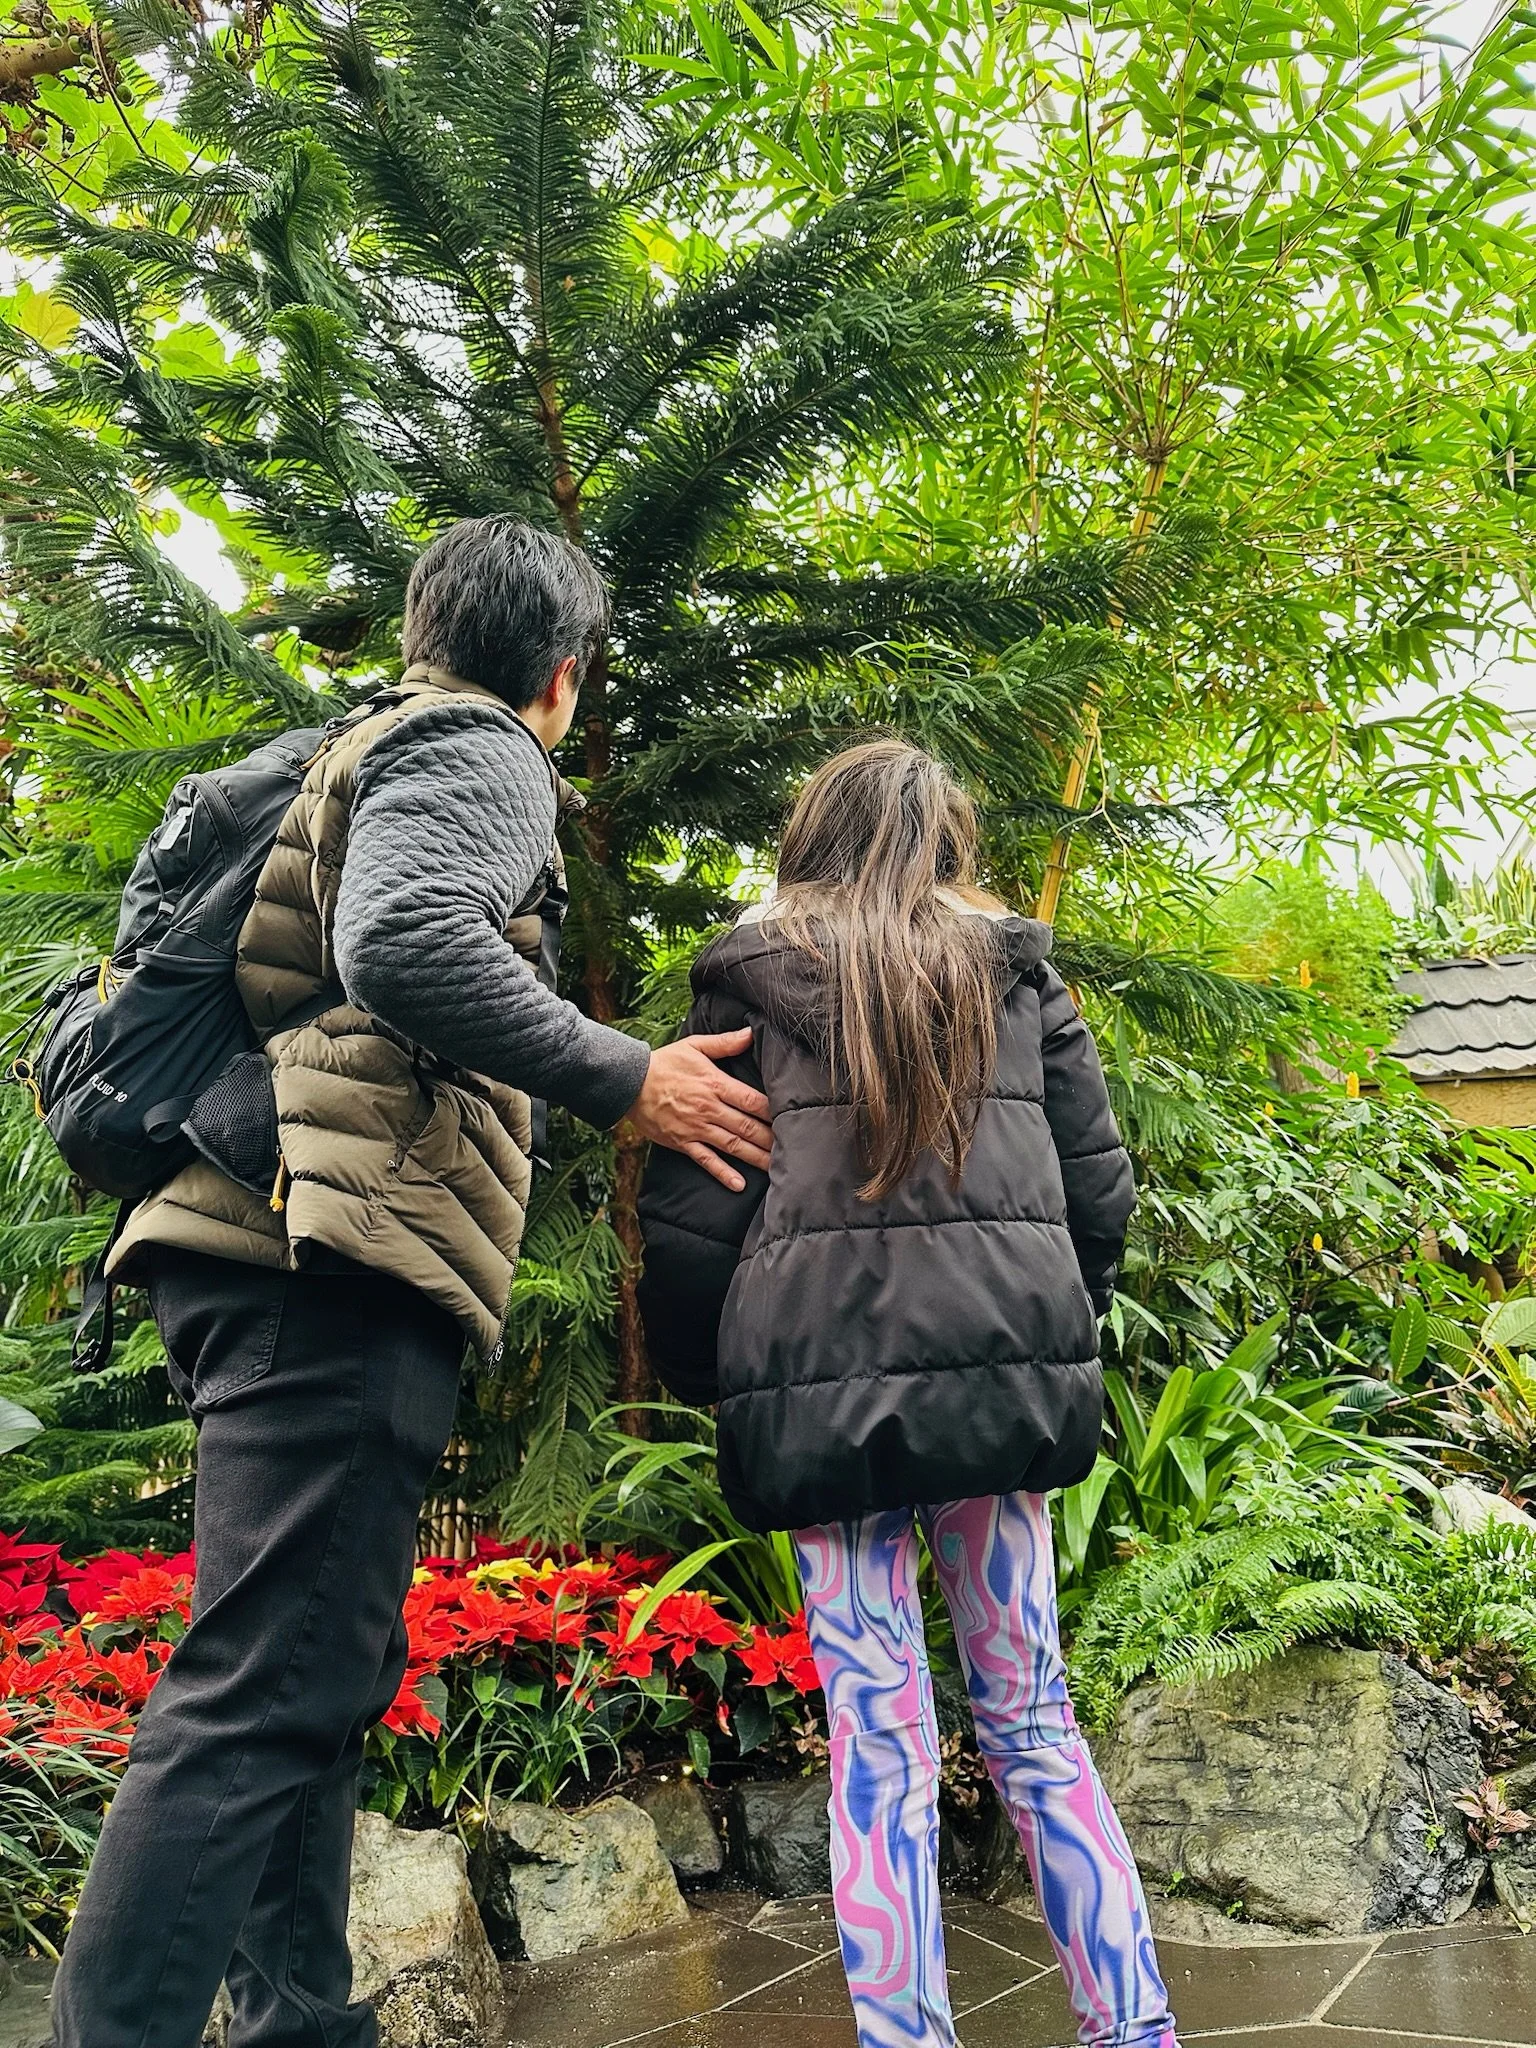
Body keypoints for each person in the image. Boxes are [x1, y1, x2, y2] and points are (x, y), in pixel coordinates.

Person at [52, 516, 772, 2048]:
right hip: (327, 1258)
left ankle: (302, 2024)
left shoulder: (361, 737)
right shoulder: (484, 748)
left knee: (312, 1666)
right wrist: (624, 1076)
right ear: (563, 671)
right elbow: (404, 939)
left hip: (251, 1236)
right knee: (261, 1686)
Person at [637, 739, 1180, 2048]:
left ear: (809, 840)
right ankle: (1136, 2032)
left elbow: (692, 1231)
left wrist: (729, 1382)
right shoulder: (1020, 983)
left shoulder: (743, 992)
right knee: (1036, 1728)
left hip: (819, 1416)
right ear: (948, 844)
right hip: (998, 1412)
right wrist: (1033, 1336)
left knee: (880, 1761)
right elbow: (1098, 1197)